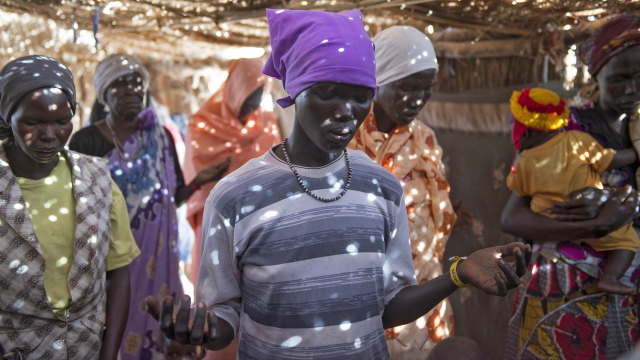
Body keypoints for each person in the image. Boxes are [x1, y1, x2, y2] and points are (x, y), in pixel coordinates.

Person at [145, 9, 531, 360]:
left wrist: (457, 274)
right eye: (328, 93)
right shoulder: (235, 197)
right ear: (295, 91)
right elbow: (225, 313)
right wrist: (207, 329)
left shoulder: (382, 188)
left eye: (361, 97)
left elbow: (388, 306)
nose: (346, 111)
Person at [68, 54, 230, 360]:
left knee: (156, 326)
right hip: (111, 259)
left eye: (137, 84)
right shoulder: (87, 141)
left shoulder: (161, 138)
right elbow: (77, 206)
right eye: (121, 85)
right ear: (105, 94)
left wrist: (199, 182)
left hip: (156, 260)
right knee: (112, 322)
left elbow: (172, 199)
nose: (131, 90)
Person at [503, 14, 640, 360]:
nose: (632, 89)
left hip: (630, 293)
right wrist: (593, 225)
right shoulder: (563, 128)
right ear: (596, 74)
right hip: (561, 291)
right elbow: (512, 218)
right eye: (620, 78)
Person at [0, 55, 140, 359]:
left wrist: (108, 353)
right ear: (6, 118)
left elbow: (118, 274)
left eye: (62, 122)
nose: (50, 135)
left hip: (85, 348)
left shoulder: (98, 180)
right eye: (33, 122)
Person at [347, 25, 456, 358]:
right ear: (377, 79)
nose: (418, 100)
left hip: (422, 294)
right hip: (359, 297)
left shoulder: (423, 139)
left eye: (427, 89)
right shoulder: (344, 141)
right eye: (407, 87)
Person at [507, 87, 640, 294]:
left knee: (533, 226)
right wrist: (634, 153)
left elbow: (518, 187)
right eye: (620, 80)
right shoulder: (578, 140)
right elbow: (608, 159)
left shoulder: (524, 162)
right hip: (594, 220)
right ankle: (611, 278)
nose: (631, 87)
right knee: (628, 240)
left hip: (551, 219)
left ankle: (521, 261)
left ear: (528, 132)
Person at [183, 57, 281, 287]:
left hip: (258, 216)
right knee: (216, 284)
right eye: (249, 98)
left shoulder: (265, 121)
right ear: (236, 90)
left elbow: (277, 165)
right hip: (216, 215)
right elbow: (195, 174)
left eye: (258, 97)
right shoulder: (202, 125)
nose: (254, 106)